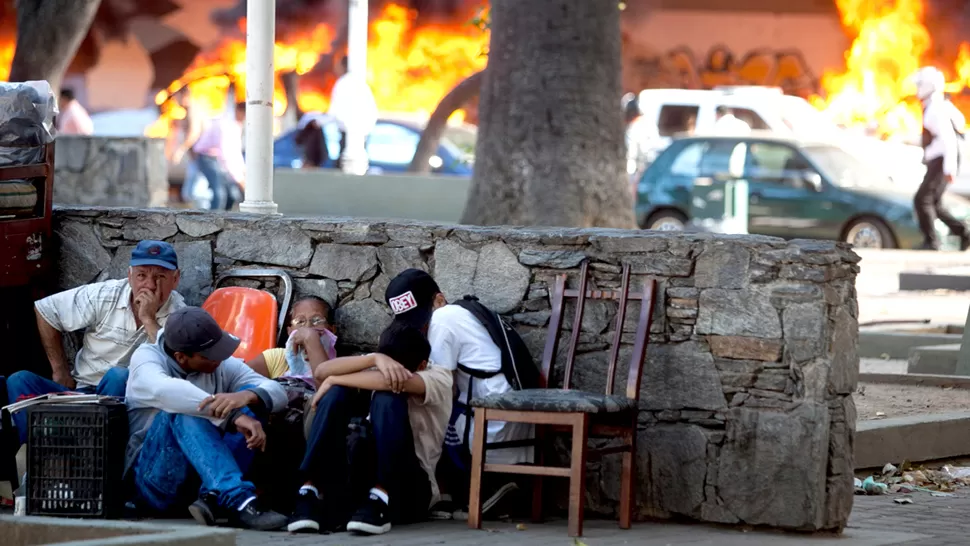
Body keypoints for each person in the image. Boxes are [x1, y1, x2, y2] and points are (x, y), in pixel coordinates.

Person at [4, 240, 186, 447]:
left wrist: (148, 318)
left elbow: (176, 366)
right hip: (80, 393)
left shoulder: (180, 314)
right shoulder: (105, 294)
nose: (150, 286)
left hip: (125, 398)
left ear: (176, 279)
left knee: (118, 375)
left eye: (160, 277)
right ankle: (41, 453)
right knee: (20, 380)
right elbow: (47, 310)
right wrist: (60, 370)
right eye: (142, 275)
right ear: (129, 276)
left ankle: (90, 449)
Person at [383, 269, 531, 519]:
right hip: (504, 402)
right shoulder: (463, 311)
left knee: (423, 406)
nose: (422, 325)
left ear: (439, 300)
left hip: (493, 412)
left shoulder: (443, 317)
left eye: (421, 316)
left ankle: (456, 493)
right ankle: (455, 494)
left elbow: (441, 381)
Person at [125, 307, 289, 530]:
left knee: (254, 399)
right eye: (209, 355)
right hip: (153, 482)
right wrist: (232, 416)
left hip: (203, 483)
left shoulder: (220, 363)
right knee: (182, 410)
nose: (219, 359)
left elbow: (278, 392)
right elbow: (165, 391)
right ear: (181, 357)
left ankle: (214, 496)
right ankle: (238, 500)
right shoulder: (146, 357)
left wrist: (246, 396)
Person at [287, 321, 452, 535]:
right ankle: (308, 491)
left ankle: (382, 494)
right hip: (361, 478)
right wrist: (374, 359)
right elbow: (321, 372)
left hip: (410, 488)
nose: (388, 370)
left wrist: (334, 379)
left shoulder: (440, 376)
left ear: (422, 365)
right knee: (337, 392)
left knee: (387, 396)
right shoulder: (379, 361)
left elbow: (391, 383)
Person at [913, 66, 970, 250]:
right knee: (934, 203)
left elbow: (948, 141)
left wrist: (949, 168)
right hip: (939, 160)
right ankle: (963, 233)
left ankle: (931, 242)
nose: (917, 89)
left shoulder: (935, 109)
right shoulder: (933, 106)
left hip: (943, 160)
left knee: (922, 200)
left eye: (919, 84)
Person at [193, 102, 246, 211]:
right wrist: (238, 178)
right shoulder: (227, 124)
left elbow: (236, 151)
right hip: (207, 156)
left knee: (231, 195)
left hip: (217, 159)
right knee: (219, 193)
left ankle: (225, 222)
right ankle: (212, 222)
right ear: (239, 111)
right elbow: (226, 154)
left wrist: (242, 171)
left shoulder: (236, 124)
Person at [328, 56, 378, 170]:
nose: (335, 69)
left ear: (344, 66)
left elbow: (334, 112)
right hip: (362, 135)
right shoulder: (361, 84)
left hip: (349, 135)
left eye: (338, 65)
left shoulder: (343, 83)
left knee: (343, 169)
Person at [623, 93, 659, 194]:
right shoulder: (650, 124)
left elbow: (631, 154)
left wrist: (629, 176)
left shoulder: (633, 129)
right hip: (654, 167)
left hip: (641, 170)